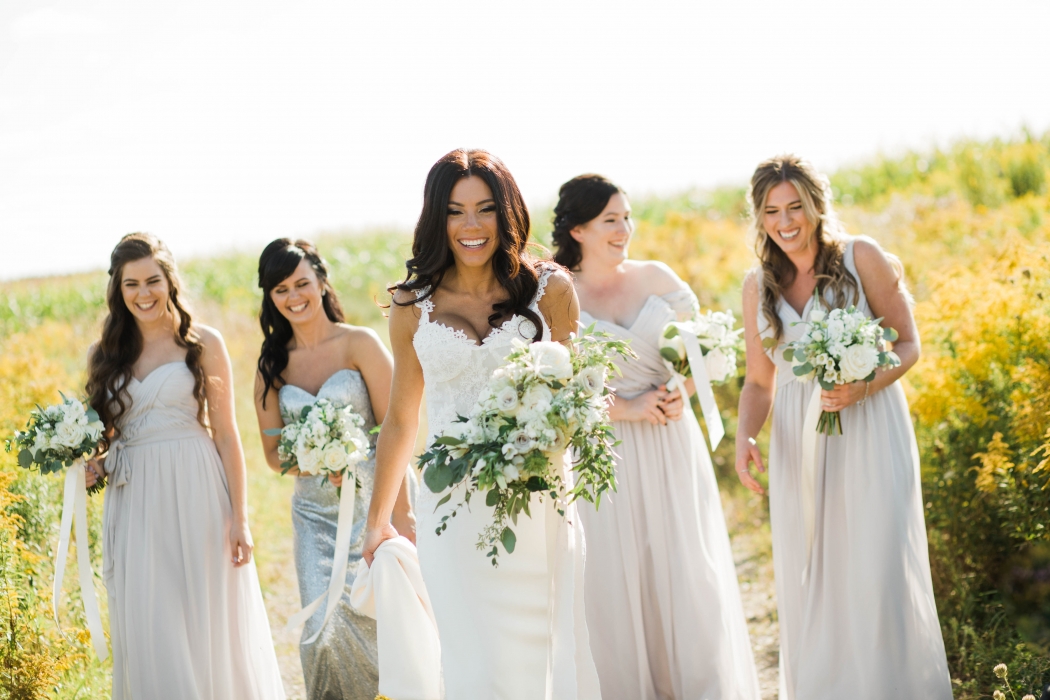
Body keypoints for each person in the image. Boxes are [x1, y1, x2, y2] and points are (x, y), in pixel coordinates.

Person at [361, 149, 600, 699]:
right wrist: (377, 521)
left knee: (540, 653)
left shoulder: (551, 291)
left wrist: (547, 442)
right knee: (471, 658)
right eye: (455, 210)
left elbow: (580, 397)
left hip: (537, 499)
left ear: (507, 213)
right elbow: (401, 417)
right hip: (451, 510)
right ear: (436, 218)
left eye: (486, 209)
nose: (471, 226)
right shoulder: (411, 305)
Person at [734, 155, 952, 699]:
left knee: (875, 565)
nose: (787, 222)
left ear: (815, 205)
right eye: (772, 211)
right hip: (797, 445)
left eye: (796, 207)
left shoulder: (861, 257)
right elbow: (759, 383)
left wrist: (863, 386)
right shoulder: (757, 285)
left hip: (870, 428)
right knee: (816, 572)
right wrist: (744, 438)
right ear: (759, 218)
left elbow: (908, 343)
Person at [552, 174, 761, 700]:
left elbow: (707, 351)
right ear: (578, 229)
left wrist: (681, 390)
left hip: (670, 439)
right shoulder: (558, 294)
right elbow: (552, 386)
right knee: (615, 574)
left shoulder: (656, 277)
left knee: (684, 562)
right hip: (605, 448)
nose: (625, 229)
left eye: (627, 217)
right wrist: (625, 407)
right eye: (610, 221)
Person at [83, 233, 284, 700]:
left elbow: (227, 434)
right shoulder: (105, 355)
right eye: (131, 284)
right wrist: (93, 465)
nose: (143, 293)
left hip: (196, 488)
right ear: (118, 288)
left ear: (169, 281)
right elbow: (105, 438)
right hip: (134, 499)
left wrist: (241, 519)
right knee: (152, 618)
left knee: (205, 613)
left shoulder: (201, 342)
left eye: (153, 280)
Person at [254, 238, 417, 700]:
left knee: (382, 621)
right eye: (280, 289)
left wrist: (399, 516)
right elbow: (271, 454)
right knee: (322, 633)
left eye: (302, 283)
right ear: (270, 297)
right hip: (314, 519)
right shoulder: (272, 364)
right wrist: (314, 455)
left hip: (373, 503)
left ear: (321, 282)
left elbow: (395, 426)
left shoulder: (358, 343)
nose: (293, 296)